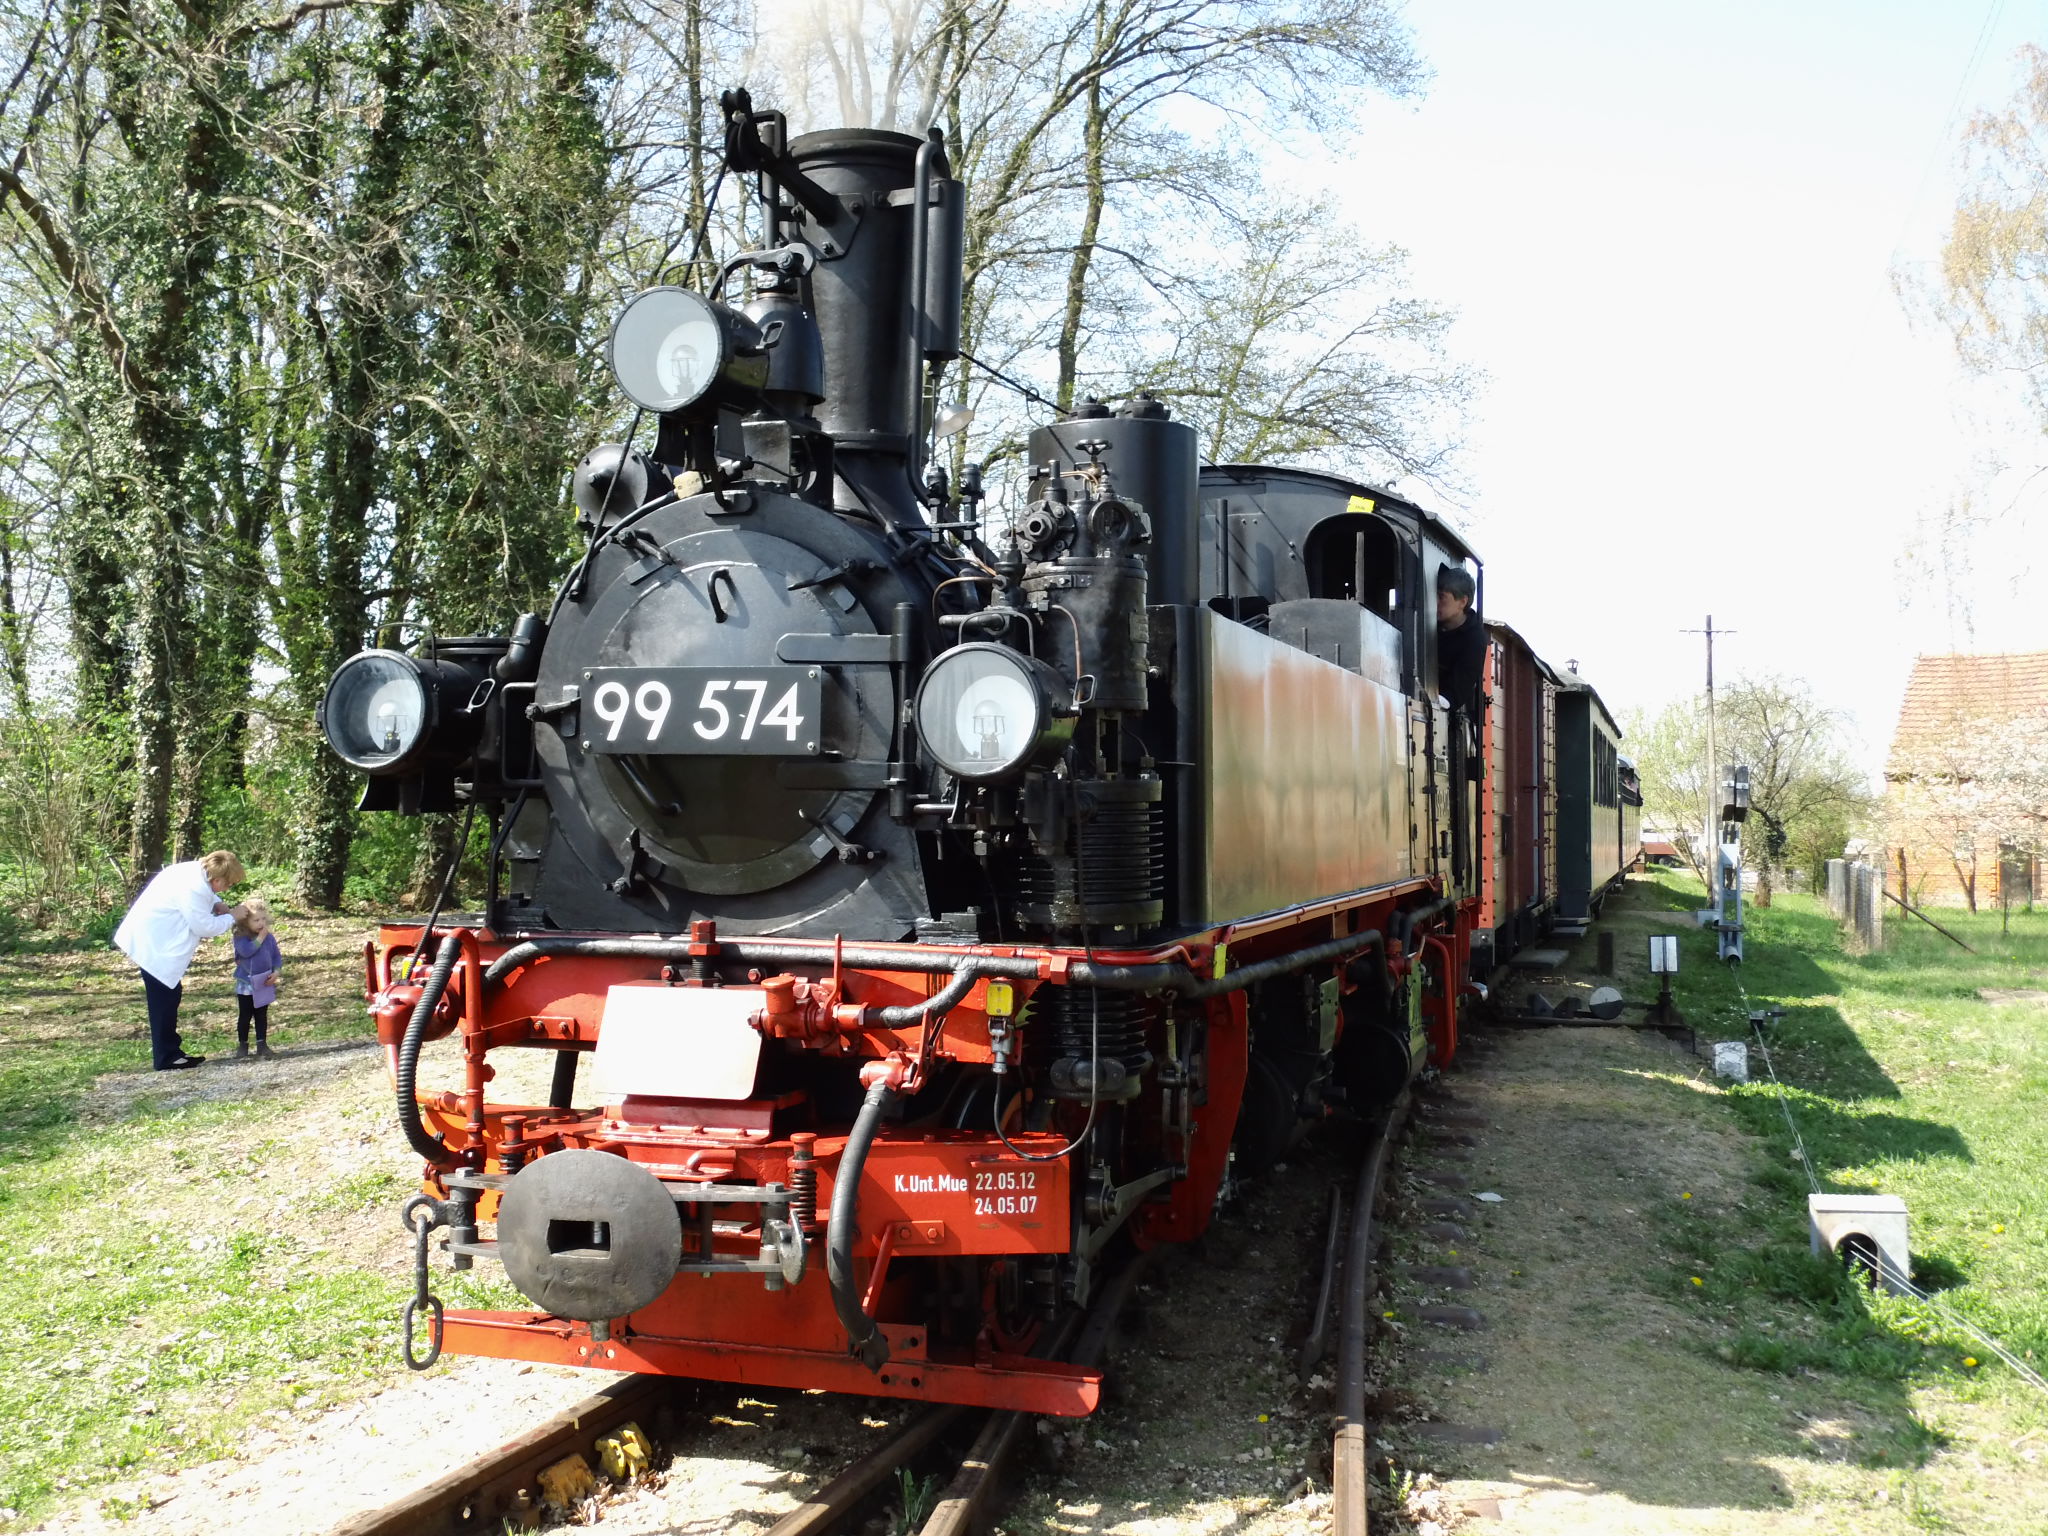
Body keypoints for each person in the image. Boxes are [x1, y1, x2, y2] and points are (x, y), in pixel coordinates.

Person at [113, 850, 249, 1071]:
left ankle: (170, 1052)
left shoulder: (192, 870)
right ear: (217, 879)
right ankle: (166, 1057)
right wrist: (232, 916)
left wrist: (217, 903)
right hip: (154, 944)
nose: (227, 888)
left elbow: (206, 896)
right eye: (228, 884)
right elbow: (204, 926)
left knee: (169, 994)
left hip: (153, 938)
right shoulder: (193, 887)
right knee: (164, 998)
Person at [232, 897, 282, 1061]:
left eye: (263, 919)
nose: (261, 923)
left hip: (263, 981)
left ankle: (262, 1044)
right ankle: (243, 1044)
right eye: (256, 920)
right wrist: (259, 938)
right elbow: (246, 952)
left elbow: (276, 956)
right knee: (245, 1015)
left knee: (261, 1014)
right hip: (246, 983)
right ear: (245, 922)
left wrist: (276, 972)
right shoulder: (241, 937)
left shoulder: (269, 937)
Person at [1435, 564, 1486, 715]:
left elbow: (1459, 688)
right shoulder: (1428, 623)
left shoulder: (1475, 639)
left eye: (1442, 597)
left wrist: (1440, 701)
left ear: (1462, 602)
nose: (1436, 602)